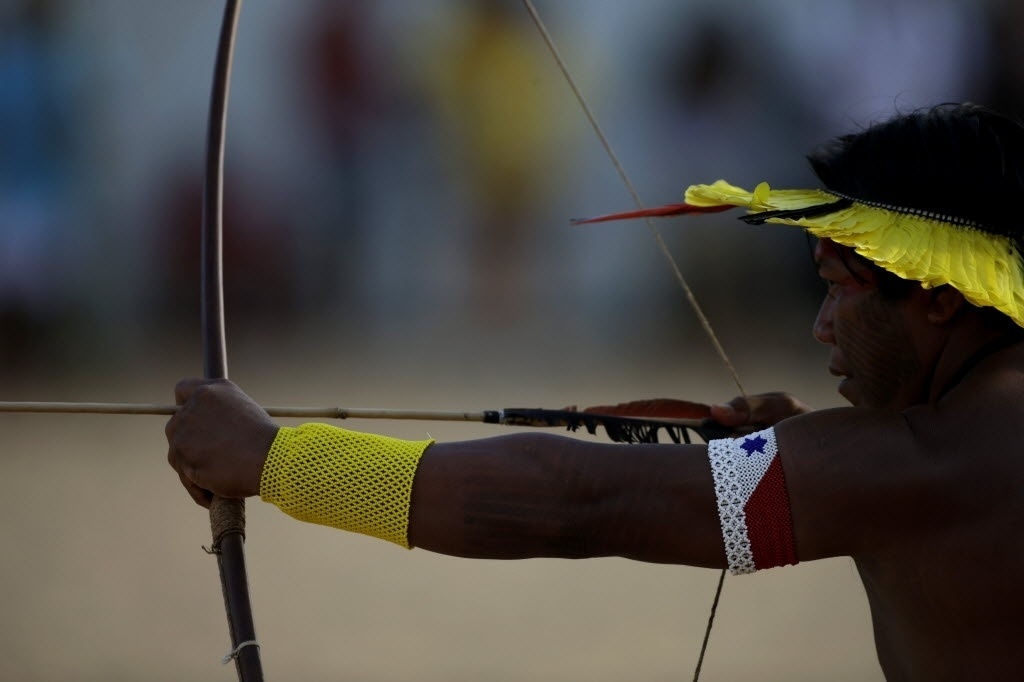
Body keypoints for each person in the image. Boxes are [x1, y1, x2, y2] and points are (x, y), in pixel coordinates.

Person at [166, 103, 1024, 680]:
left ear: (943, 297)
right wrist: (799, 443)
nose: (821, 327)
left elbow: (577, 501)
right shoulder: (951, 444)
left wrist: (273, 459)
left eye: (840, 286)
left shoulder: (920, 464)